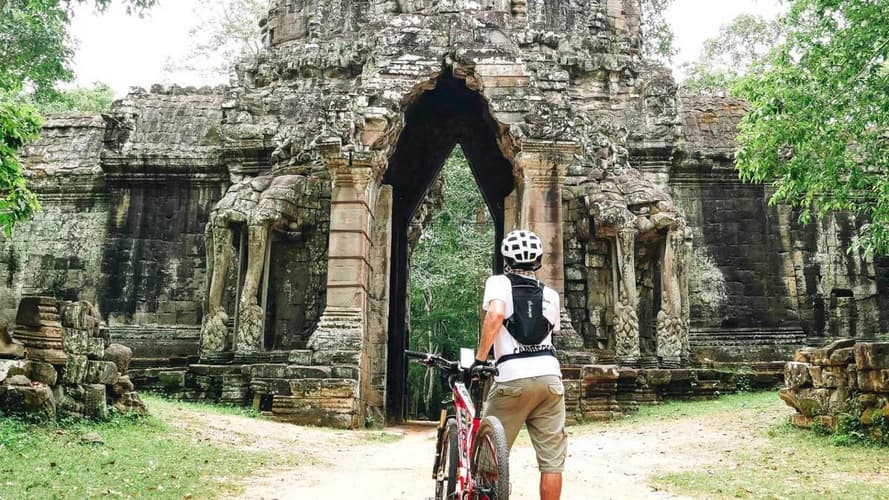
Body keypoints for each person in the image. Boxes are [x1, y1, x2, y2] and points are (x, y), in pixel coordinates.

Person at [474, 229, 566, 500]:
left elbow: (496, 314)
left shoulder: (499, 283)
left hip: (512, 378)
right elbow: (552, 332)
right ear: (538, 261)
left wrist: (481, 359)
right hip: (550, 379)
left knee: (489, 455)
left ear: (506, 260)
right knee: (552, 462)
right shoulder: (551, 295)